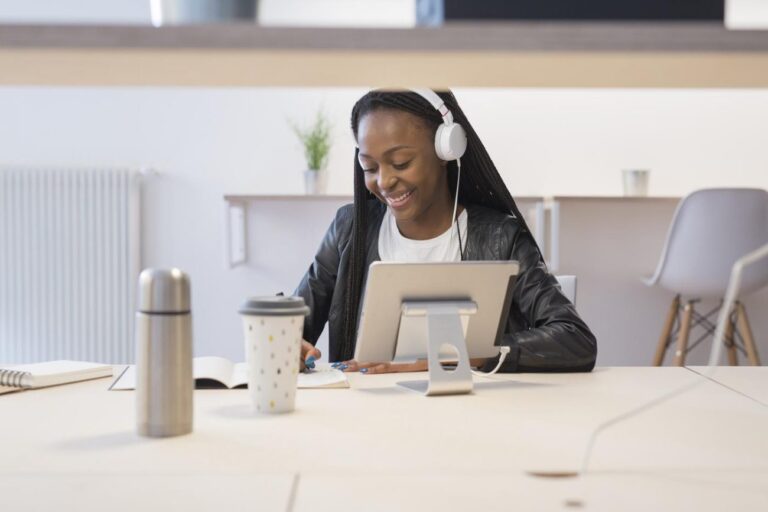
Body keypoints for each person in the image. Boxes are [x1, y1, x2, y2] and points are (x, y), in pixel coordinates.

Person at [295, 89, 596, 374]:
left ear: (446, 150)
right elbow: (293, 327)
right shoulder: (349, 230)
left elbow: (574, 338)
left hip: (474, 418)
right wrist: (291, 343)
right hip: (368, 419)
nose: (384, 181)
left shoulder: (500, 238)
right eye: (369, 167)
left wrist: (458, 354)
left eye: (401, 163)